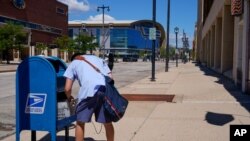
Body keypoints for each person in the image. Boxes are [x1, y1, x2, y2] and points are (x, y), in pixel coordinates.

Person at [64, 53, 114, 141]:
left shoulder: (74, 63)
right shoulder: (98, 59)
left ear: (74, 58)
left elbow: (67, 89)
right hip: (104, 90)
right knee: (107, 122)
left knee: (80, 123)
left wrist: (69, 98)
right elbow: (111, 78)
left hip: (88, 92)